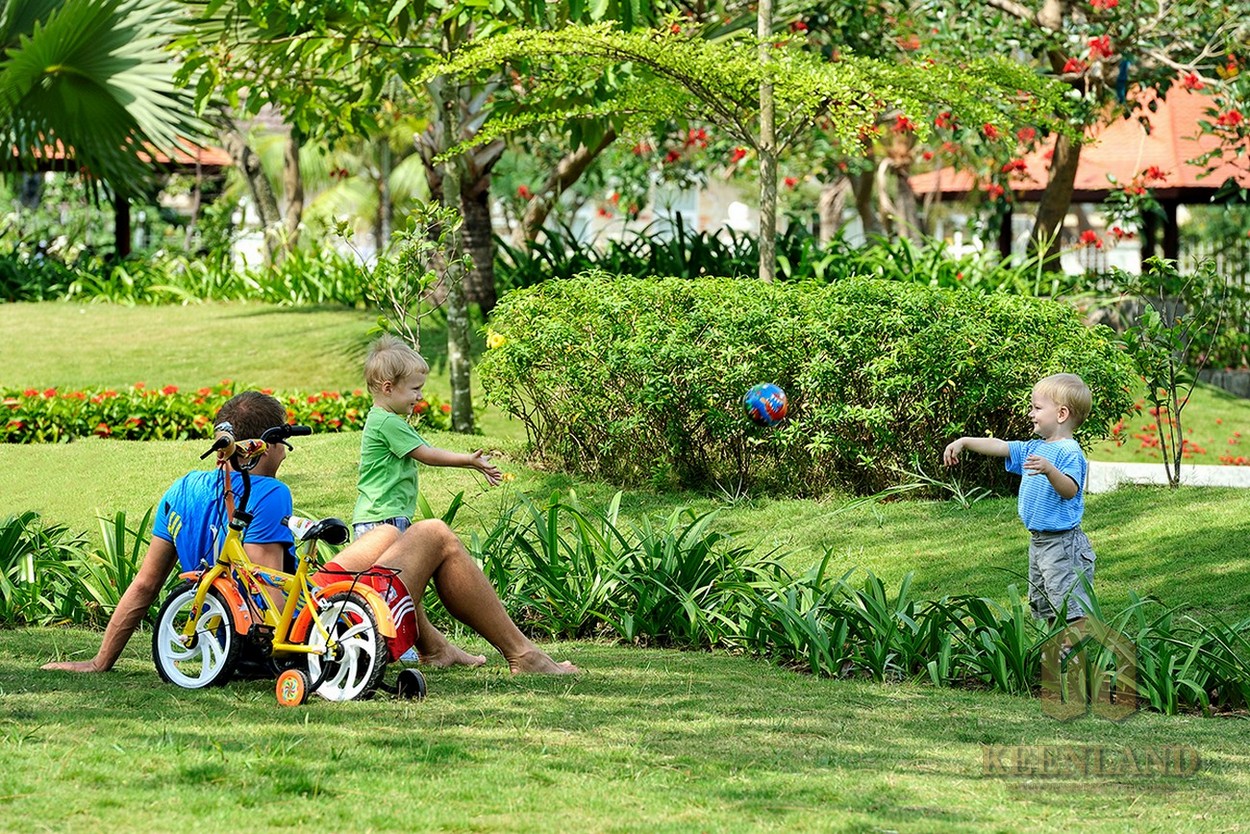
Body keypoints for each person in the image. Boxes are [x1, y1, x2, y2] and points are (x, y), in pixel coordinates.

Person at [42, 391, 577, 676]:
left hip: (220, 628)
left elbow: (144, 587)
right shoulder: (269, 492)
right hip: (275, 634)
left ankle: (435, 648)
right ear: (266, 444)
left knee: (389, 537)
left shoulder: (181, 489)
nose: (285, 452)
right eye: (282, 440)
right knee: (434, 534)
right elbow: (268, 589)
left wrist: (100, 659)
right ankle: (520, 653)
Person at [942, 373, 1096, 624]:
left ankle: (1077, 658)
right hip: (1040, 543)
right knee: (1045, 605)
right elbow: (1001, 446)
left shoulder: (1069, 451)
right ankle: (1056, 658)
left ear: (1061, 414)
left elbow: (1070, 490)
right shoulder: (1035, 448)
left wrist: (1049, 470)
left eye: (1037, 407)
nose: (1030, 413)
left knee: (1069, 607)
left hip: (1063, 545)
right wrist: (964, 442)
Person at [354, 334, 501, 541]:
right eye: (415, 389)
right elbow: (428, 456)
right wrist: (469, 460)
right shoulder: (388, 423)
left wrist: (473, 464)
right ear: (388, 388)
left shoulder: (383, 420)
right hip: (383, 517)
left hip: (382, 515)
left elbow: (431, 451)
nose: (420, 396)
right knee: (396, 572)